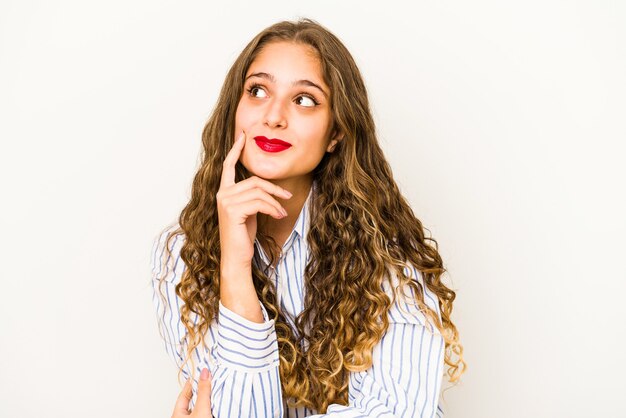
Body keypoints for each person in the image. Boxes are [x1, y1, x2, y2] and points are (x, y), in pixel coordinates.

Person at [151, 18, 465, 418]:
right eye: (257, 91)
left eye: (304, 99)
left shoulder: (389, 257)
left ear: (336, 132)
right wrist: (234, 267)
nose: (274, 116)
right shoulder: (182, 255)